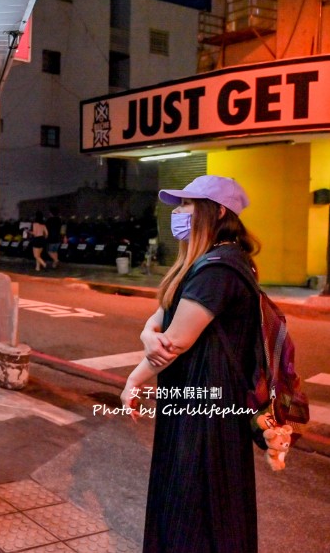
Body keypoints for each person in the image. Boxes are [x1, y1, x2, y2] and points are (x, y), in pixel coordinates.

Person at [120, 175, 289, 553]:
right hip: (193, 401)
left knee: (196, 505)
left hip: (207, 413)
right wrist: (148, 336)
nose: (177, 214)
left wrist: (134, 379)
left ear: (217, 211)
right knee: (191, 501)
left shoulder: (217, 270)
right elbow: (160, 321)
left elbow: (175, 342)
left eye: (186, 205)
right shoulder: (207, 262)